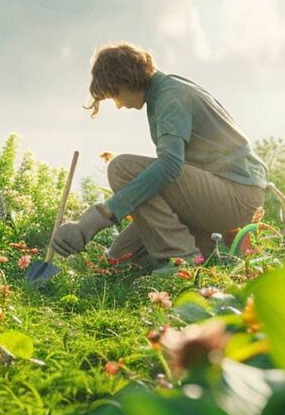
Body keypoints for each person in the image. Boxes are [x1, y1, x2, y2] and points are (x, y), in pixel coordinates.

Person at [51, 42, 268, 272]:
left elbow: (170, 166)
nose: (118, 104)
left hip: (235, 194)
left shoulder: (170, 98)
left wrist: (97, 218)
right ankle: (193, 254)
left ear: (128, 79)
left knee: (121, 169)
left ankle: (183, 259)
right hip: (213, 197)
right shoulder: (164, 92)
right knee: (118, 260)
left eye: (115, 94)